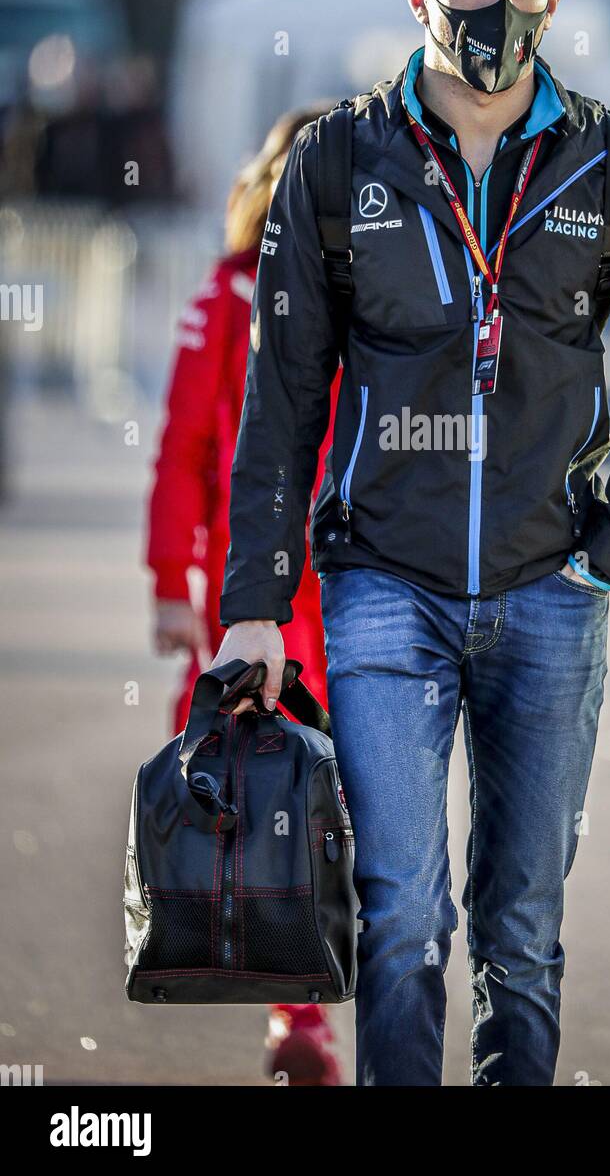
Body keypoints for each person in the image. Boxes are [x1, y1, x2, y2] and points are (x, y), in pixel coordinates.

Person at [215, 0, 610, 1086]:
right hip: (379, 590)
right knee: (400, 917)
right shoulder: (334, 160)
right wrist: (258, 597)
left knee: (522, 932)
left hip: (550, 595)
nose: (499, 5)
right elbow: (280, 401)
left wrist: (607, 550)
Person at [145, 109, 342, 1086]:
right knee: (265, 806)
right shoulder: (227, 292)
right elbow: (182, 445)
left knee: (350, 807)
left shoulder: (379, 297)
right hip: (247, 604)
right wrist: (169, 585)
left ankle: (348, 1003)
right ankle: (297, 1019)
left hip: (355, 597)